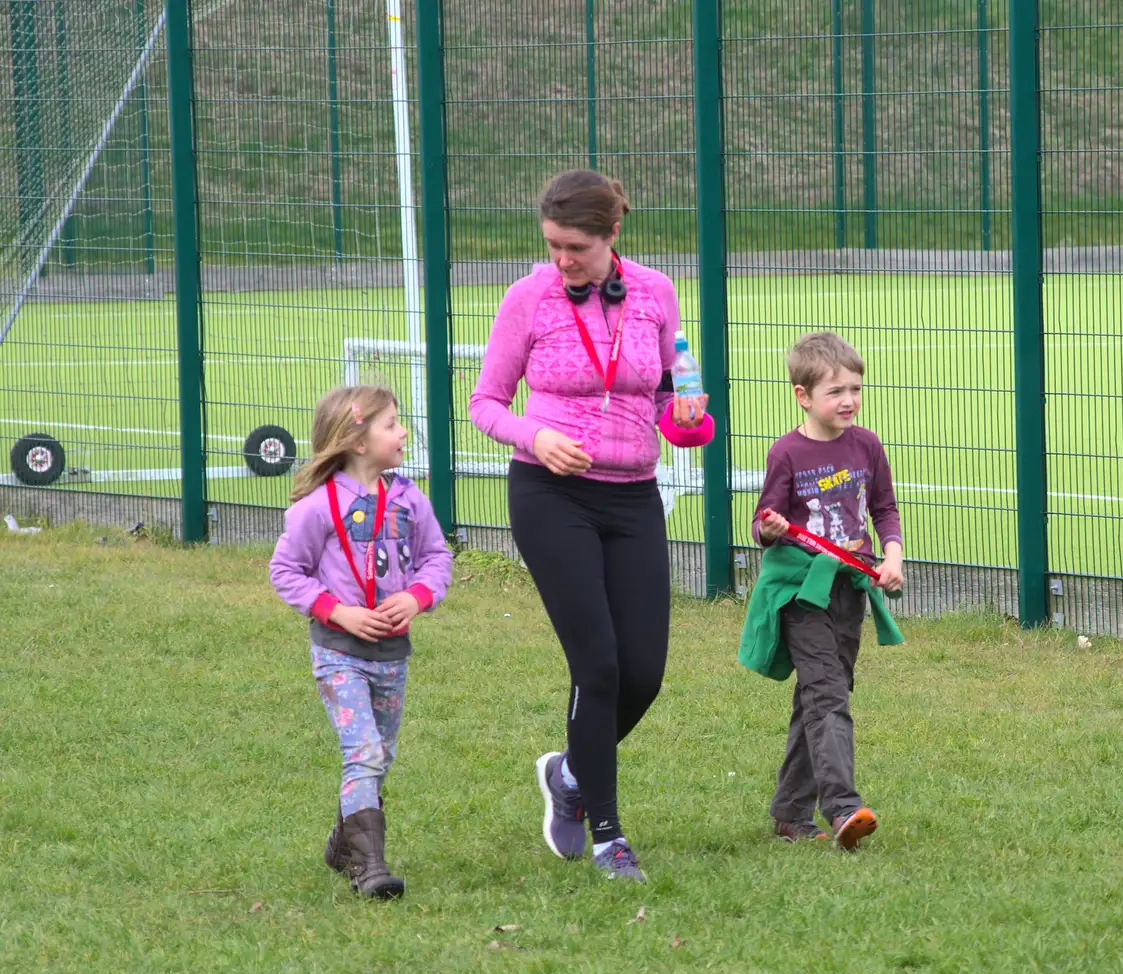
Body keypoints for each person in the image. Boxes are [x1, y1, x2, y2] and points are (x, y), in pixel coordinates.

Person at [469, 169, 712, 883]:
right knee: (598, 665)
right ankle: (607, 836)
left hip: (634, 497)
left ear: (613, 236)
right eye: (552, 245)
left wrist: (685, 419)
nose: (562, 261)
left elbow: (669, 397)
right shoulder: (528, 299)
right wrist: (533, 437)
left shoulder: (656, 293)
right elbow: (486, 402)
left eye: (575, 247)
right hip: (551, 495)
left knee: (644, 673)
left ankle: (570, 774)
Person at [269, 385, 453, 899]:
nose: (403, 433)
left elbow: (437, 557)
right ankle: (369, 870)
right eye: (392, 424)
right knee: (364, 752)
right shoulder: (316, 507)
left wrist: (418, 596)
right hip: (338, 651)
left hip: (393, 654)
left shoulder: (408, 498)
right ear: (356, 439)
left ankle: (343, 840)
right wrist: (338, 611)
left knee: (380, 757)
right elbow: (286, 571)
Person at [737, 332, 905, 851]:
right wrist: (766, 528)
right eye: (835, 391)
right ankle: (842, 808)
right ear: (802, 395)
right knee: (827, 695)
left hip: (849, 590)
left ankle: (790, 811)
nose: (849, 400)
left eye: (855, 388)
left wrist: (891, 554)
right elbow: (766, 521)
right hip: (799, 594)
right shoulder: (786, 452)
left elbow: (883, 508)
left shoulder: (867, 444)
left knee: (820, 696)